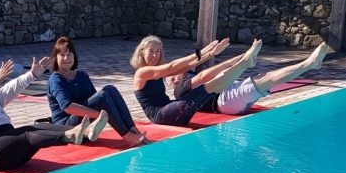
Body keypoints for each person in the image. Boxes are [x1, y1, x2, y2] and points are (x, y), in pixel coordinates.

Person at [0, 56, 106, 171]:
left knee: (41, 127)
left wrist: (32, 74)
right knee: (27, 134)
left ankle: (85, 132)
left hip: (11, 149)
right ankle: (69, 135)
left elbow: (10, 89)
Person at [130, 36, 260, 127]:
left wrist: (210, 54)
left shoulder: (156, 70)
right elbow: (172, 66)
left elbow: (185, 67)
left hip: (172, 113)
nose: (155, 55)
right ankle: (244, 63)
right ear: (141, 53)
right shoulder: (141, 73)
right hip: (161, 115)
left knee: (207, 90)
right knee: (205, 89)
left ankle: (243, 61)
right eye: (151, 51)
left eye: (157, 51)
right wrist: (201, 52)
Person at [174, 42, 330, 115]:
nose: (173, 78)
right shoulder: (179, 90)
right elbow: (204, 75)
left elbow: (211, 73)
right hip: (224, 101)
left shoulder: (188, 79)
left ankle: (310, 64)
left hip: (228, 93)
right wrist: (242, 58)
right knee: (266, 80)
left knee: (264, 78)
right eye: (172, 76)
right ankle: (309, 64)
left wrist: (242, 57)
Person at [47, 36, 148, 147]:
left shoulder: (81, 74)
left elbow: (94, 98)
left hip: (84, 119)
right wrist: (100, 115)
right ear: (56, 58)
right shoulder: (55, 80)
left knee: (110, 89)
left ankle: (134, 130)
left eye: (69, 54)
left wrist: (102, 114)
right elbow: (67, 107)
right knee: (102, 96)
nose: (66, 58)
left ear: (74, 56)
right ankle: (128, 137)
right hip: (66, 125)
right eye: (62, 55)